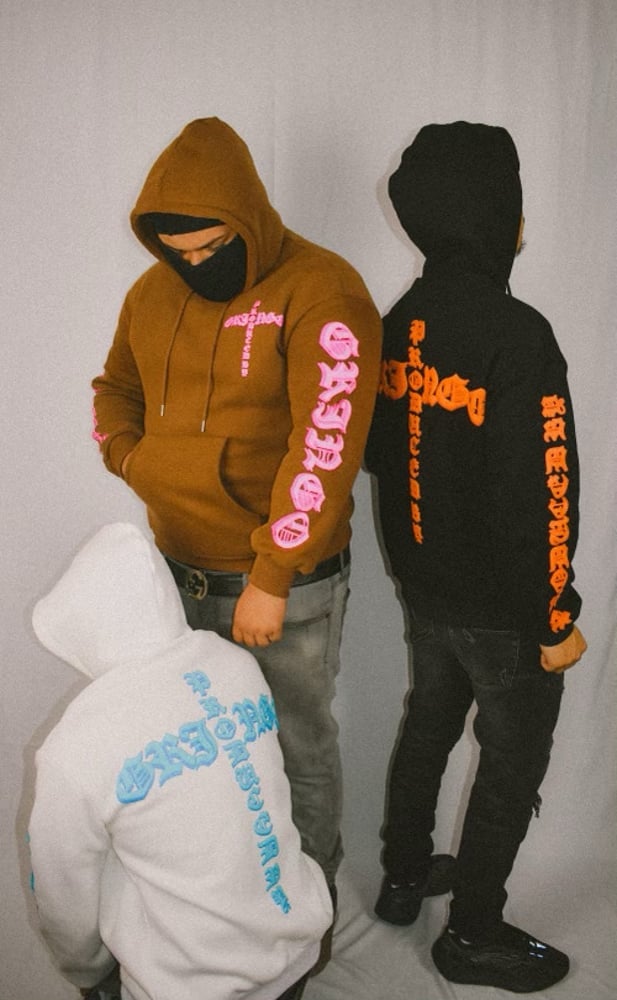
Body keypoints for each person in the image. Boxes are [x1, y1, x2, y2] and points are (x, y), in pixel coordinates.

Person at [91, 117, 382, 966]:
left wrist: (272, 573)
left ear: (249, 217)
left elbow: (325, 445)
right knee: (204, 757)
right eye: (177, 251)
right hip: (174, 573)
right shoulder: (150, 294)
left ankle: (307, 921)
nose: (194, 263)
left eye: (212, 246)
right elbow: (114, 387)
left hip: (278, 584)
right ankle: (228, 907)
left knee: (295, 748)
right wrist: (129, 457)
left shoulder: (323, 288)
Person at [365, 122, 587, 992]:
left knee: (427, 725)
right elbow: (545, 488)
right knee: (508, 764)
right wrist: (554, 616)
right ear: (498, 217)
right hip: (502, 610)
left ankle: (402, 878)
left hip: (425, 593)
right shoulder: (514, 335)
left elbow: (381, 455)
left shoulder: (400, 321)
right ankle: (472, 933)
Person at [28, 522, 333, 1000]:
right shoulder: (236, 665)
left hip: (191, 985)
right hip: (294, 943)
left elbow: (62, 893)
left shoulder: (76, 749)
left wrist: (88, 972)